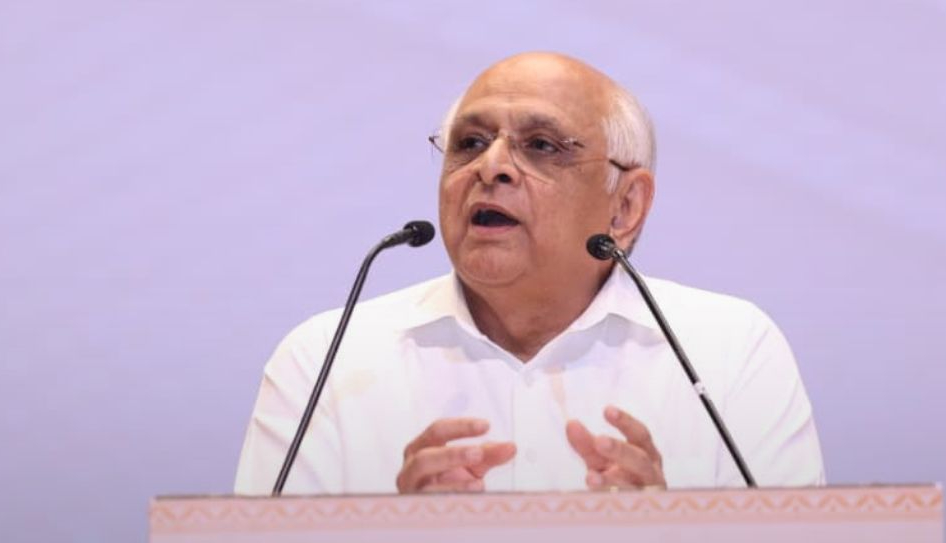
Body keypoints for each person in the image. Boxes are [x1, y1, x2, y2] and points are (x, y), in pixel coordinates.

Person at [234, 52, 824, 495]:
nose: (491, 167)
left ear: (624, 207)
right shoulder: (327, 360)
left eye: (541, 146)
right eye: (469, 142)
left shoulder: (730, 351)